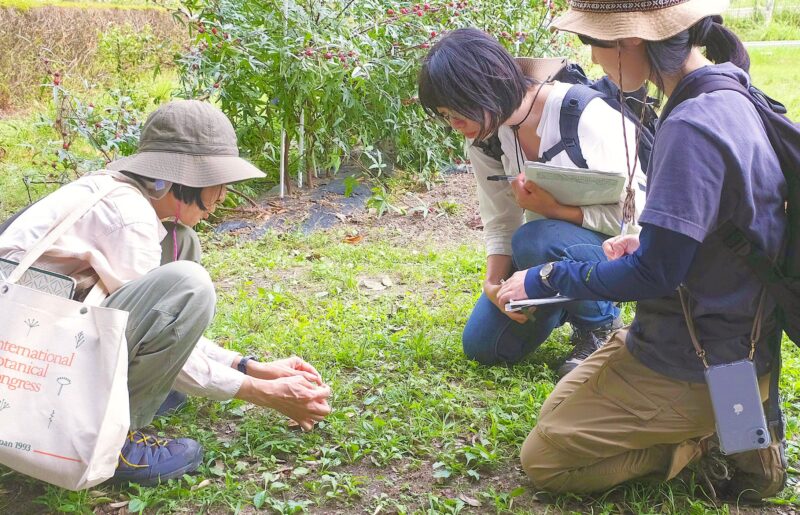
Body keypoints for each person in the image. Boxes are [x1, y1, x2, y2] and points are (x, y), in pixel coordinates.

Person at [496, 0, 788, 500]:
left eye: (594, 43)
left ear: (629, 40)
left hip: (699, 356)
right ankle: (739, 425)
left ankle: (705, 437)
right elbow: (728, 227)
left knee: (545, 459)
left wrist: (548, 278)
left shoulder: (690, 125)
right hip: (732, 342)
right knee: (554, 414)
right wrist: (652, 238)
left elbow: (655, 274)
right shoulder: (730, 90)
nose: (593, 61)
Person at [0, 100, 332, 486]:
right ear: (185, 179)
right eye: (218, 182)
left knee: (180, 245)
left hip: (36, 340)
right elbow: (162, 314)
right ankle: (115, 444)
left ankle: (131, 395)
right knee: (189, 285)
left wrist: (247, 365)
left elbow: (158, 323)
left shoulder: (122, 196)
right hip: (28, 365)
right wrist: (262, 392)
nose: (223, 195)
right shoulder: (130, 218)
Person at [418, 28, 647, 377]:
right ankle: (562, 300)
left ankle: (599, 325)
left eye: (459, 111)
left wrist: (557, 210)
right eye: (446, 115)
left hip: (613, 254)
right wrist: (493, 285)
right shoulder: (486, 137)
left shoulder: (586, 115)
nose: (455, 125)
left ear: (486, 87)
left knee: (537, 237)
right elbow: (500, 220)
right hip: (546, 261)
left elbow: (638, 221)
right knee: (484, 348)